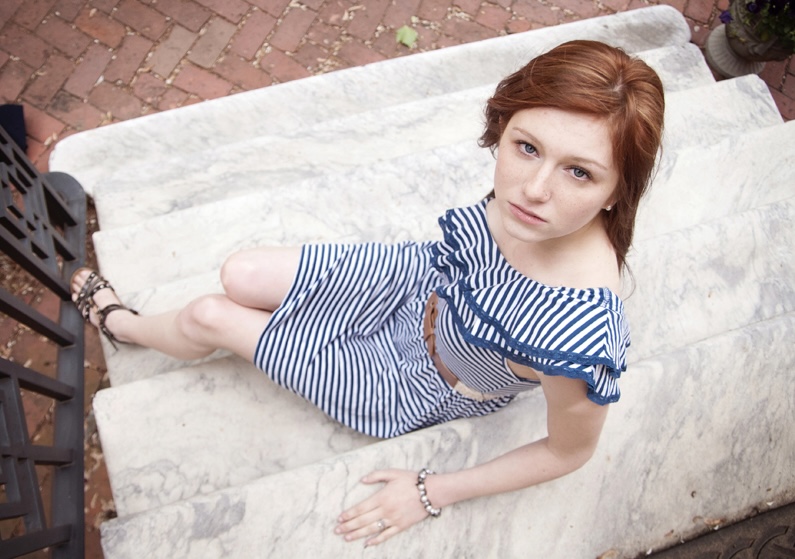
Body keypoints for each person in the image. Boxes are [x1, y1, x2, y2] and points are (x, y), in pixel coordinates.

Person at [71, 40, 665, 548]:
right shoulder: (533, 204)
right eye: (527, 147)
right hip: (412, 280)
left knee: (208, 315)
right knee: (241, 275)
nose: (533, 189)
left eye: (579, 172)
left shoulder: (575, 336)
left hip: (414, 382)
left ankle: (120, 324)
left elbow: (569, 452)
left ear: (618, 192)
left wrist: (432, 491)